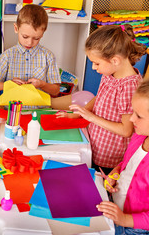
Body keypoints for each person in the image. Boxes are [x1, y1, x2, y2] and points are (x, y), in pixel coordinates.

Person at [58, 24, 146, 174]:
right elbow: (100, 98)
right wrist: (78, 114)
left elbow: (126, 130)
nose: (93, 67)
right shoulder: (109, 74)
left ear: (115, 60)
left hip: (110, 157)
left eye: (97, 63)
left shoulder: (129, 88)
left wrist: (91, 117)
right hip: (94, 145)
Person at [97, 80, 149, 234]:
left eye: (138, 116)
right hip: (115, 208)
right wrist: (115, 173)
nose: (131, 119)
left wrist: (124, 220)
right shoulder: (139, 136)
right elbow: (127, 164)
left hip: (134, 227)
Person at [0, 4, 61, 109]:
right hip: (12, 113)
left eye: (36, 38)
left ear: (43, 33)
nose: (29, 42)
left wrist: (42, 84)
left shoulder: (48, 56)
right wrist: (8, 84)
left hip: (39, 113)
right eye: (25, 36)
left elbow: (56, 91)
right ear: (16, 28)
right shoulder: (8, 55)